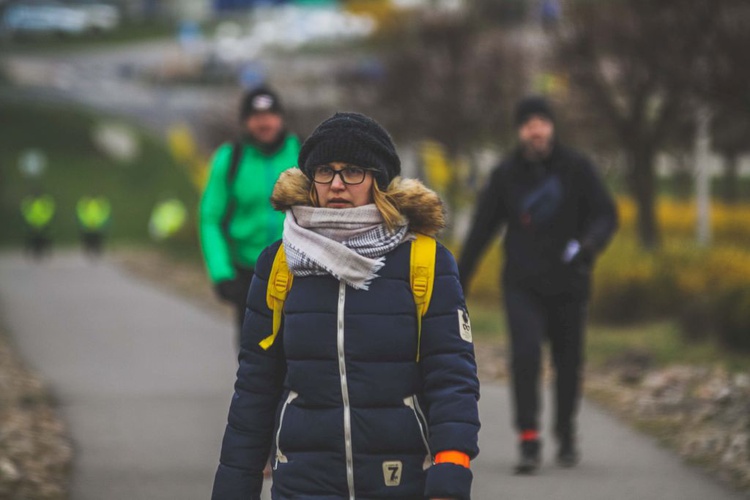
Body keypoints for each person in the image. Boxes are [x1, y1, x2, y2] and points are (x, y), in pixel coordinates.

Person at [211, 112, 480, 500]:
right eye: (325, 171)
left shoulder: (426, 261)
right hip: (303, 482)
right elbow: (255, 387)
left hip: (400, 481)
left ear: (378, 179)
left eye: (353, 171)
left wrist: (452, 469)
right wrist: (235, 485)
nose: (337, 184)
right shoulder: (280, 264)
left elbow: (452, 377)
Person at [458, 96, 617, 474]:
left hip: (570, 283)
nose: (536, 129)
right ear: (519, 130)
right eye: (528, 122)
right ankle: (528, 438)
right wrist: (456, 280)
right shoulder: (505, 174)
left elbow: (605, 215)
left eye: (542, 121)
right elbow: (482, 230)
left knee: (568, 362)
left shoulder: (577, 168)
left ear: (552, 126)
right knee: (526, 356)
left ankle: (565, 432)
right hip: (522, 284)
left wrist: (590, 245)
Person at [199, 86, 301, 341]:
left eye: (270, 114)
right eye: (256, 116)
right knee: (254, 355)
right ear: (246, 121)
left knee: (297, 351)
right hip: (248, 273)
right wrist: (221, 273)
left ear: (281, 118)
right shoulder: (230, 158)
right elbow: (210, 218)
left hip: (297, 270)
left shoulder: (302, 154)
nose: (264, 122)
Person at [20, 193, 55, 260]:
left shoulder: (43, 202)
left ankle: (46, 252)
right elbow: (25, 210)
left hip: (42, 223)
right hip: (33, 223)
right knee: (32, 239)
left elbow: (49, 210)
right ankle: (31, 252)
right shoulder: (32, 202)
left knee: (44, 239)